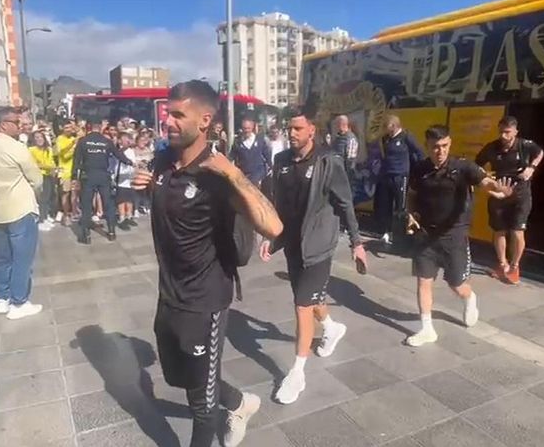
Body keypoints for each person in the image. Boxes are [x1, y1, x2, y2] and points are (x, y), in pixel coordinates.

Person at [132, 80, 283, 447]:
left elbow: (274, 225)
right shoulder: (165, 160)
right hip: (169, 295)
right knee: (179, 377)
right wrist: (150, 185)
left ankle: (226, 411)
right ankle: (238, 402)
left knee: (201, 404)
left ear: (204, 120)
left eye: (177, 114)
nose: (167, 120)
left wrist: (233, 174)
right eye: (168, 113)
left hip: (205, 300)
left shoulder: (217, 173)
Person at [259, 113, 367, 405]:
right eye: (288, 128)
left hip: (319, 244)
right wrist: (274, 238)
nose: (291, 133)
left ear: (311, 130)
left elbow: (345, 204)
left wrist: (357, 243)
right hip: (294, 244)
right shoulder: (281, 161)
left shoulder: (328, 161)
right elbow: (279, 206)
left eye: (297, 128)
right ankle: (332, 328)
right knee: (311, 299)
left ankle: (297, 373)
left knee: (302, 305)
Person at [404, 125, 513, 347]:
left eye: (444, 146)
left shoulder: (462, 167)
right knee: (423, 281)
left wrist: (498, 188)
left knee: (456, 284)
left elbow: (484, 181)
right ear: (427, 146)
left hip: (454, 236)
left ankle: (469, 298)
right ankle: (427, 329)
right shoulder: (419, 169)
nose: (440, 151)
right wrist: (410, 215)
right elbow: (412, 195)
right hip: (426, 236)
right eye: (435, 147)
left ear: (450, 143)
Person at [0, 107, 44, 320]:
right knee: (22, 259)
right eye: (15, 121)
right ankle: (19, 302)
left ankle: (2, 298)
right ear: (3, 125)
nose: (20, 124)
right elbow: (37, 179)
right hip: (20, 209)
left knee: (2, 258)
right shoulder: (15, 147)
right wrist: (34, 194)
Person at [475, 116, 544, 284]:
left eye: (507, 132)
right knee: (499, 230)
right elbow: (477, 165)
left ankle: (515, 266)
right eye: (501, 132)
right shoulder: (492, 147)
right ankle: (502, 264)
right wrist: (489, 181)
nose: (503, 136)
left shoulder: (524, 145)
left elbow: (540, 152)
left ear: (515, 132)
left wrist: (531, 168)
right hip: (499, 194)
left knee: (517, 231)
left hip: (521, 194)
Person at [71, 118, 132, 244]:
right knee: (108, 204)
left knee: (87, 205)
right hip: (103, 175)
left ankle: (86, 235)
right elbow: (118, 155)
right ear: (100, 128)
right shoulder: (106, 141)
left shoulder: (83, 141)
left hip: (88, 176)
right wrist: (130, 162)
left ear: (89, 128)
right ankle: (111, 232)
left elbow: (76, 161)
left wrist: (74, 178)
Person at [375, 114, 424, 244]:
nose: (387, 130)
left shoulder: (406, 137)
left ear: (395, 126)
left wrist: (417, 171)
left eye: (388, 128)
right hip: (387, 176)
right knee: (386, 204)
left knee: (400, 207)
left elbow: (419, 152)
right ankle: (386, 231)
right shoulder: (385, 139)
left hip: (400, 175)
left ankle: (400, 235)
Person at [29, 130, 58, 231]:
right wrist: (48, 167)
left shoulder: (48, 149)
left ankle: (46, 216)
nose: (39, 139)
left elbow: (51, 161)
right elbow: (34, 164)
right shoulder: (31, 150)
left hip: (49, 174)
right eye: (36, 137)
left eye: (40, 137)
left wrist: (54, 168)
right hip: (40, 175)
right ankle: (41, 220)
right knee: (43, 198)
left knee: (50, 196)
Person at [229, 117, 271, 186]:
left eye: (248, 128)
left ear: (252, 128)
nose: (246, 130)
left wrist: (270, 168)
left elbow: (267, 156)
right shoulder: (237, 141)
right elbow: (231, 157)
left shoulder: (260, 140)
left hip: (258, 176)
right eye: (244, 128)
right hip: (243, 175)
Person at [55, 120, 79, 226]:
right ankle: (66, 215)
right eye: (66, 128)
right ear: (62, 128)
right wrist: (72, 145)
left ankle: (73, 213)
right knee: (65, 194)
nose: (69, 130)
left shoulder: (74, 138)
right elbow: (63, 155)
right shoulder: (60, 139)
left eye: (70, 127)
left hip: (74, 170)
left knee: (74, 194)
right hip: (64, 171)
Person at [115, 133, 138, 227]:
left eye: (128, 140)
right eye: (124, 140)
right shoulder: (118, 151)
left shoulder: (131, 151)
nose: (127, 142)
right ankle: (122, 216)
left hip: (130, 178)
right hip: (120, 178)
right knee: (121, 199)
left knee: (129, 199)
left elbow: (134, 163)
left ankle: (129, 215)